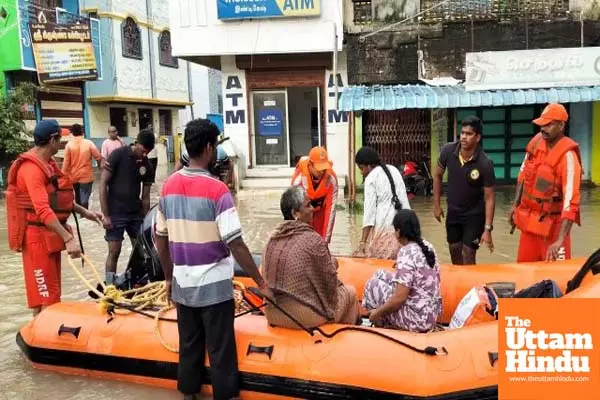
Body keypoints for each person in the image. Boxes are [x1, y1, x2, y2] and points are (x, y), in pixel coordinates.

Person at [155, 118, 268, 400]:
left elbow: (160, 238)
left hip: (183, 282)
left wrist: (168, 277)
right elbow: (236, 243)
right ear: (208, 148)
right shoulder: (217, 190)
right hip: (215, 287)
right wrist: (260, 280)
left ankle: (188, 395)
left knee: (189, 347)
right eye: (216, 145)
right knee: (221, 351)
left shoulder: (168, 186)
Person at [5, 119, 103, 316]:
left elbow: (57, 199)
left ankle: (43, 334)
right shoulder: (31, 169)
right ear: (52, 140)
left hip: (49, 235)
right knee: (44, 299)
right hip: (36, 240)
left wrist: (85, 212)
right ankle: (39, 338)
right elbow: (42, 209)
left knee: (52, 295)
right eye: (60, 138)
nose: (62, 143)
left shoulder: (48, 164)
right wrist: (69, 239)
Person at [262, 186, 360, 329]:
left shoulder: (272, 238)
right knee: (349, 293)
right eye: (308, 205)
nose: (313, 209)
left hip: (272, 312)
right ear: (295, 213)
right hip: (300, 317)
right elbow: (329, 282)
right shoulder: (312, 240)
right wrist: (333, 265)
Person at [510, 103, 582, 263]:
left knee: (556, 281)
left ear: (561, 125)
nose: (543, 128)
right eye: (542, 124)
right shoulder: (535, 145)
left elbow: (571, 203)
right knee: (524, 273)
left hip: (554, 228)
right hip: (530, 224)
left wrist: (560, 240)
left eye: (549, 124)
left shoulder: (568, 157)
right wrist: (515, 206)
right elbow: (522, 176)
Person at [362, 209, 442, 332]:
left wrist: (378, 312)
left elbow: (400, 298)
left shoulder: (406, 252)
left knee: (371, 285)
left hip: (418, 320)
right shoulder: (428, 246)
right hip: (430, 313)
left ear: (398, 232)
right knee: (380, 274)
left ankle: (381, 324)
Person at [433, 116, 496, 265]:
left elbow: (490, 198)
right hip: (453, 212)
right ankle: (458, 286)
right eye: (462, 133)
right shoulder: (448, 151)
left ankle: (472, 287)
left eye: (469, 134)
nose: (464, 137)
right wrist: (436, 205)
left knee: (468, 253)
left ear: (478, 137)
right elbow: (437, 176)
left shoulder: (485, 163)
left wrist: (487, 229)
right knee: (454, 250)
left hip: (474, 215)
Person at [99, 129, 155, 285]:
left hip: (135, 214)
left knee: (142, 252)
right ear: (136, 143)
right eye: (143, 151)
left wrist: (146, 221)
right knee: (114, 251)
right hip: (115, 212)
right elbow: (103, 184)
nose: (144, 155)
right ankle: (110, 286)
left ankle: (140, 284)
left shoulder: (147, 166)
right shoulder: (118, 155)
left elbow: (145, 197)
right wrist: (106, 215)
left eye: (148, 153)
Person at [353, 146, 411, 260]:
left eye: (361, 168)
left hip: (386, 233)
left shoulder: (371, 179)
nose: (361, 172)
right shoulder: (394, 170)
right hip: (407, 229)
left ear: (368, 165)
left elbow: (369, 214)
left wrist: (362, 242)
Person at [290, 147, 338, 243]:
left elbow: (330, 210)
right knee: (301, 239)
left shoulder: (331, 179)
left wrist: (326, 241)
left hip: (321, 212)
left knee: (320, 240)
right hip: (304, 211)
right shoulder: (299, 179)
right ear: (310, 165)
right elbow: (292, 208)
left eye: (324, 168)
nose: (322, 172)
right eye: (319, 168)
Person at [61, 123, 103, 209]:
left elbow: (66, 164)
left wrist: (62, 177)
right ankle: (85, 211)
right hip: (86, 175)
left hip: (74, 176)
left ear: (72, 133)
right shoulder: (89, 143)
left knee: (77, 194)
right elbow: (98, 157)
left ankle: (81, 212)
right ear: (82, 132)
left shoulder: (69, 145)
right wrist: (101, 169)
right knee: (85, 194)